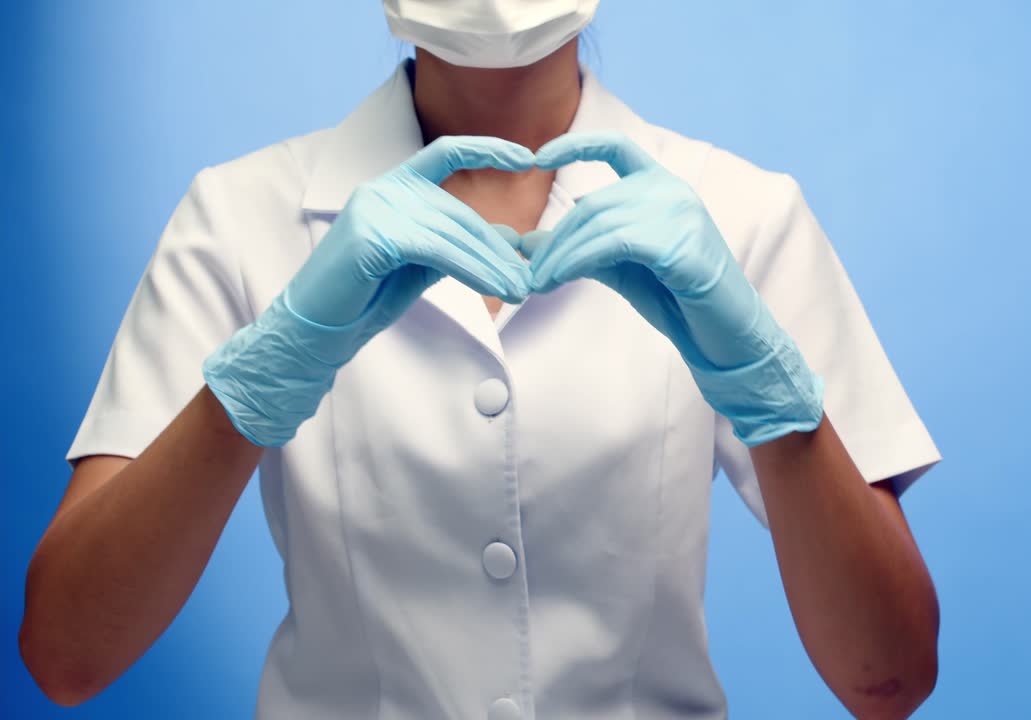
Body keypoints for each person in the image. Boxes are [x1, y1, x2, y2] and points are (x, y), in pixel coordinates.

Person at [20, 1, 943, 718]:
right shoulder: (237, 215)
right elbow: (66, 656)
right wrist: (264, 375)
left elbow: (891, 677)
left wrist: (769, 393)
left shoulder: (738, 215)